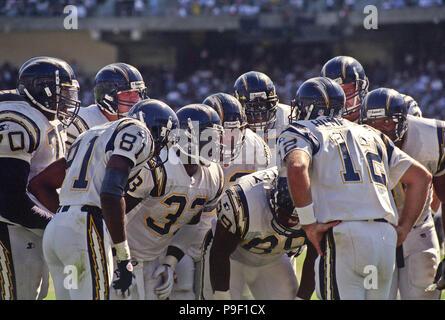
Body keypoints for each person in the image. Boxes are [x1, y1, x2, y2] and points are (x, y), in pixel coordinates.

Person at [277, 77, 432, 300]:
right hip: (384, 239)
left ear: (308, 107)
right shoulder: (371, 133)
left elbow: (297, 165)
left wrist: (309, 223)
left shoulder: (302, 130)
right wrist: (405, 227)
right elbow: (421, 177)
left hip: (344, 234)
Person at [29, 100, 174, 300]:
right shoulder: (139, 132)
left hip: (58, 232)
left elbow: (39, 184)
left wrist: (68, 216)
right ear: (159, 131)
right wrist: (124, 258)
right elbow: (111, 192)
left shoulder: (91, 134)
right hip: (85, 229)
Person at [169, 93, 271, 300]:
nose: (225, 140)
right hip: (187, 230)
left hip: (232, 233)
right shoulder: (187, 153)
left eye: (232, 132)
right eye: (219, 134)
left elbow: (267, 194)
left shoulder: (256, 146)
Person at [121, 103, 224, 300]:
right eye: (208, 138)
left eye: (217, 137)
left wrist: (170, 262)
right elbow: (115, 211)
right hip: (121, 254)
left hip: (154, 259)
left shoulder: (214, 175)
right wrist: (116, 255)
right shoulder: (158, 166)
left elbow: (191, 224)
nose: (216, 144)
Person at [0, 56, 79, 300]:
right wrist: (56, 224)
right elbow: (9, 200)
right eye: (61, 92)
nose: (66, 100)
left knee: (33, 292)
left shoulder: (42, 117)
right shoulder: (16, 120)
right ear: (41, 89)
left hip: (27, 226)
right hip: (8, 225)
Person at [360, 88, 443, 299]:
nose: (379, 130)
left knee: (422, 294)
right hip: (373, 232)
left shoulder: (432, 138)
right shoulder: (353, 140)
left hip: (418, 230)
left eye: (387, 122)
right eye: (372, 124)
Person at [208, 168, 321, 300]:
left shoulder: (321, 206)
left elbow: (315, 257)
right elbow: (220, 252)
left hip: (274, 260)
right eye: (285, 215)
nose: (290, 222)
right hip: (233, 257)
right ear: (273, 199)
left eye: (297, 218)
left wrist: (302, 298)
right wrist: (222, 296)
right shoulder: (245, 201)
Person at [65, 62, 147, 150]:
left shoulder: (141, 123)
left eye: (137, 92)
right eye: (127, 93)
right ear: (107, 96)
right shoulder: (79, 121)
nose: (135, 98)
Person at [233, 71, 291, 167]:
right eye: (251, 107)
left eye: (264, 105)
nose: (259, 114)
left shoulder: (288, 116)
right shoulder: (232, 123)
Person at [321, 56, 369, 123]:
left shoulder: (375, 121)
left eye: (346, 91)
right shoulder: (322, 125)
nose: (342, 99)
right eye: (335, 94)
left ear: (362, 87)